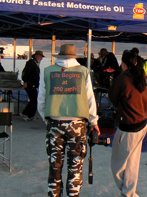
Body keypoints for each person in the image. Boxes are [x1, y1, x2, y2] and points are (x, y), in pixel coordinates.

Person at [37, 44, 99, 197]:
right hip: (77, 125)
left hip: (54, 123)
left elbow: (41, 101)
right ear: (74, 57)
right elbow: (90, 100)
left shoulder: (48, 71)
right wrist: (94, 121)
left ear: (59, 56)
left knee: (55, 166)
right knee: (75, 167)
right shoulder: (84, 72)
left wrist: (49, 119)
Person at [108, 50, 147, 197]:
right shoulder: (141, 77)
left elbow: (112, 97)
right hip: (142, 124)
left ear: (123, 64)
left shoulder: (123, 78)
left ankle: (128, 193)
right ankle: (129, 193)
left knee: (117, 166)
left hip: (128, 127)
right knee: (132, 163)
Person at [20, 50, 44, 121]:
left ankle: (30, 115)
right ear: (36, 56)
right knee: (33, 100)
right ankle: (25, 113)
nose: (41, 58)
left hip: (34, 85)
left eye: (41, 57)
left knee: (34, 100)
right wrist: (25, 81)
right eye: (40, 56)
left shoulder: (36, 63)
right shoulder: (31, 63)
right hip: (29, 84)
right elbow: (25, 72)